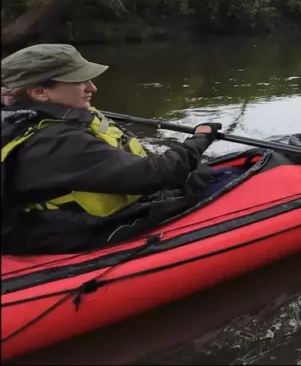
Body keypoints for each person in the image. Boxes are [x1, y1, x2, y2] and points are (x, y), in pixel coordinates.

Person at [1, 44, 221, 255]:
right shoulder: (57, 141)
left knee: (198, 177)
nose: (92, 88)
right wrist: (199, 138)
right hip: (71, 233)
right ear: (39, 92)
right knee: (200, 182)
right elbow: (156, 174)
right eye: (78, 81)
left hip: (49, 223)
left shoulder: (23, 118)